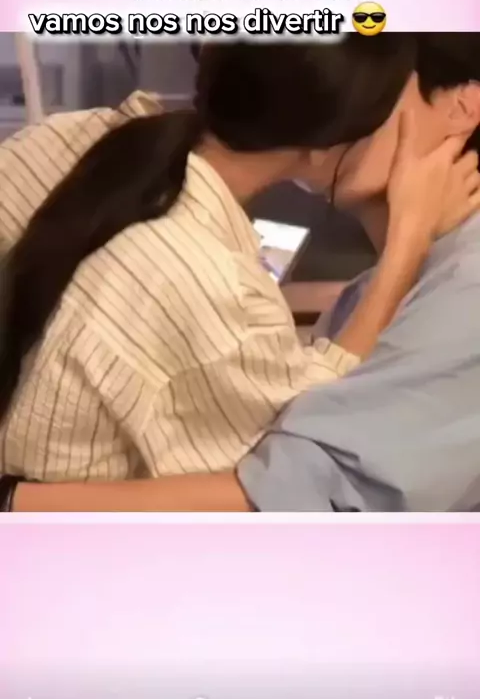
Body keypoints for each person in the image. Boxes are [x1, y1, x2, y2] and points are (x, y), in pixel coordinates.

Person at [3, 34, 480, 512]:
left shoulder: (463, 283)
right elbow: (288, 466)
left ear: (463, 106)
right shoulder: (212, 274)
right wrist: (406, 244)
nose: (362, 117)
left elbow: (308, 481)